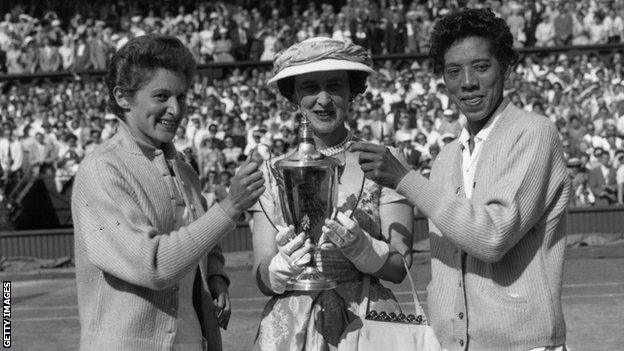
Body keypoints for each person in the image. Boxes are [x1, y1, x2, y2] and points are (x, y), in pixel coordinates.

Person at [351, 9, 570, 350]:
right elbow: (444, 269)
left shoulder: (534, 133)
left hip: (525, 344)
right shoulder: (445, 158)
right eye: (454, 71)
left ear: (506, 68)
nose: (467, 82)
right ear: (443, 78)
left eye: (481, 66)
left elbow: (492, 237)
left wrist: (406, 179)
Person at [71, 35, 265, 351]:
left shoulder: (184, 169)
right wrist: (230, 207)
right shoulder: (101, 170)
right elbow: (153, 265)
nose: (174, 110)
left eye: (182, 97)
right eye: (161, 96)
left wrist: (216, 277)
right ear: (122, 97)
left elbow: (202, 237)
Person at [250, 37, 414, 350]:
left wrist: (365, 250)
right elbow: (261, 275)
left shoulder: (383, 159)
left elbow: (399, 269)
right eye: (310, 87)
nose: (324, 100)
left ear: (352, 90)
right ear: (294, 95)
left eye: (335, 86)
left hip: (367, 323)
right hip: (292, 326)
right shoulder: (270, 170)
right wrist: (279, 270)